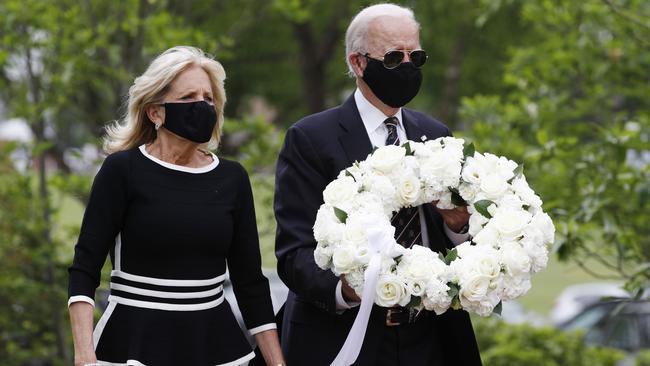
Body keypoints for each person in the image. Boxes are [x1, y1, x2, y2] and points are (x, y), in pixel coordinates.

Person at [274, 4, 482, 365]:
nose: (406, 66)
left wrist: (459, 226)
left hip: (431, 338)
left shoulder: (436, 135)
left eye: (414, 56)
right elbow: (294, 254)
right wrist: (347, 289)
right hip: (346, 335)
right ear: (358, 63)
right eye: (391, 58)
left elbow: (463, 245)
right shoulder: (310, 139)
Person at [68, 46, 285, 366]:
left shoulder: (232, 178)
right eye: (188, 98)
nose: (202, 106)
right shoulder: (122, 171)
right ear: (155, 112)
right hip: (132, 342)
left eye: (208, 98)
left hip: (215, 344)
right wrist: (84, 355)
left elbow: (250, 283)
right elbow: (85, 269)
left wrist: (277, 362)